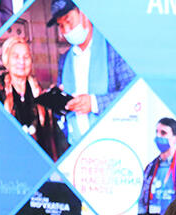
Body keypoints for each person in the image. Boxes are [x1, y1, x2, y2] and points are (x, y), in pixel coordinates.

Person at [48, 0, 135, 144]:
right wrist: (57, 99)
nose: (66, 31)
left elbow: (133, 94)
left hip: (114, 142)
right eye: (61, 26)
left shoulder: (114, 49)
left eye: (68, 21)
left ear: (83, 13)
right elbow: (62, 109)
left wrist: (94, 103)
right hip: (77, 145)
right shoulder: (64, 59)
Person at [0, 36, 68, 160]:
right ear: (6, 60)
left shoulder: (37, 90)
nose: (22, 62)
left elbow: (48, 133)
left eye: (26, 57)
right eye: (16, 57)